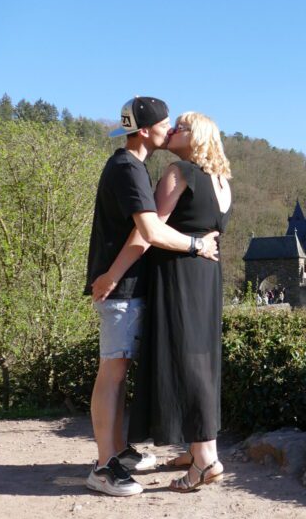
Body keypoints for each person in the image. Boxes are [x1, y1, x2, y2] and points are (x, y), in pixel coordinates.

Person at [85, 97, 219, 497]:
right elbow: (149, 232)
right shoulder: (127, 168)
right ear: (145, 130)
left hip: (128, 285)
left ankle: (118, 451)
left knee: (119, 371)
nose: (171, 129)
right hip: (120, 287)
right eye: (166, 124)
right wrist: (196, 245)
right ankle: (104, 466)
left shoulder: (134, 167)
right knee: (112, 373)